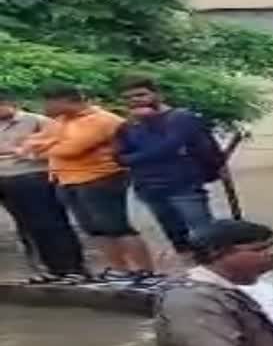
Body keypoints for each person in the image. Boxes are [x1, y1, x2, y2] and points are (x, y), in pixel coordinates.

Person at [24, 84, 157, 284]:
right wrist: (43, 146)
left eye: (49, 102)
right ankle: (118, 270)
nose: (45, 107)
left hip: (100, 178)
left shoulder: (102, 120)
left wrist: (41, 149)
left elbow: (71, 149)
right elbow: (31, 142)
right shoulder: (60, 121)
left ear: (64, 101)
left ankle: (145, 272)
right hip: (66, 179)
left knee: (116, 226)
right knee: (93, 228)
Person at [116, 76, 223, 259]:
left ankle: (218, 272)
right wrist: (142, 155)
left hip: (183, 185)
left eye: (141, 95)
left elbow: (169, 147)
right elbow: (119, 157)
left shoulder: (181, 118)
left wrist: (138, 156)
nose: (135, 100)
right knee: (176, 237)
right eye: (128, 98)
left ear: (157, 94)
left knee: (204, 235)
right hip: (149, 188)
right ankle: (193, 274)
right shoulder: (128, 126)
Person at [0, 91, 88, 283]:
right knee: (24, 227)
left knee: (50, 223)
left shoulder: (37, 121)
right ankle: (43, 269)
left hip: (32, 176)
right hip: (4, 179)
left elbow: (57, 144)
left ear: (11, 103)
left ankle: (71, 268)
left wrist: (23, 151)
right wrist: (16, 151)